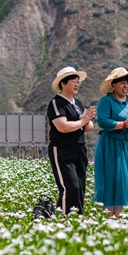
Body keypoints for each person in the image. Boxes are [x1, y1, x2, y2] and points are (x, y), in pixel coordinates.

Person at [94, 67, 128, 217]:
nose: (126, 86)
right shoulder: (106, 101)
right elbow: (103, 122)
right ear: (113, 84)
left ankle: (118, 217)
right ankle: (110, 217)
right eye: (122, 83)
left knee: (126, 180)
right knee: (113, 179)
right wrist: (124, 124)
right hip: (111, 145)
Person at [46, 66, 95, 216]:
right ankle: (65, 220)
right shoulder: (57, 103)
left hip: (79, 149)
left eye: (78, 82)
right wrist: (82, 121)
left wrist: (87, 120)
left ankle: (76, 219)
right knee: (70, 187)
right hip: (62, 149)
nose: (77, 85)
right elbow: (63, 127)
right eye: (73, 81)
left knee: (80, 187)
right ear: (63, 83)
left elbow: (88, 128)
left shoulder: (77, 103)